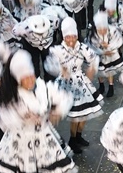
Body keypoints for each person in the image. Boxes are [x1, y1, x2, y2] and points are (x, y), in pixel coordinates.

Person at [44, 17, 102, 153]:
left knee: (84, 114)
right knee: (76, 116)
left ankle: (78, 137)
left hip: (81, 83)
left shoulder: (82, 48)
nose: (70, 40)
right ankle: (72, 139)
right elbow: (49, 64)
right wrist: (60, 69)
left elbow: (94, 57)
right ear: (63, 37)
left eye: (73, 37)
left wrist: (92, 69)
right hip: (66, 85)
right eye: (67, 37)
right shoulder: (57, 50)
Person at [89, 11, 123, 98]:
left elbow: (118, 41)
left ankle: (111, 86)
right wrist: (101, 49)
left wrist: (108, 47)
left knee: (110, 70)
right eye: (99, 29)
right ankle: (101, 85)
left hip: (110, 54)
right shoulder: (93, 33)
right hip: (99, 54)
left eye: (103, 28)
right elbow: (91, 45)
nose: (102, 31)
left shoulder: (112, 30)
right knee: (99, 70)